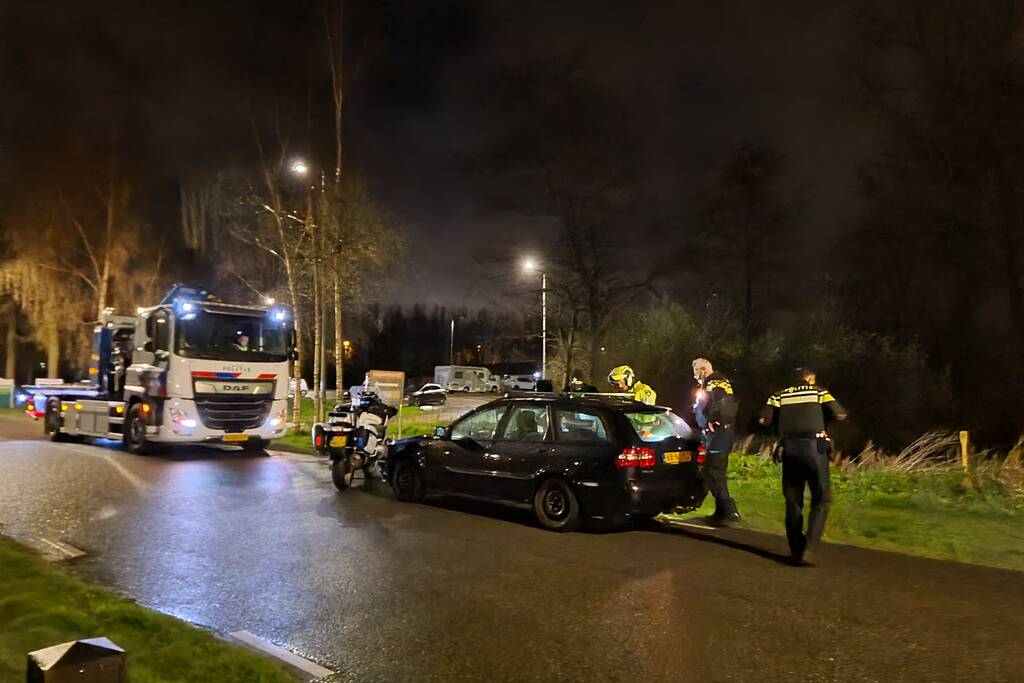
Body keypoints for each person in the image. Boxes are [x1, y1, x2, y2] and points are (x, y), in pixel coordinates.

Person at [759, 367, 848, 566]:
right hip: (814, 449)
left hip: (790, 449)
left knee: (793, 502)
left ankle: (796, 550)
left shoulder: (778, 396)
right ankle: (811, 545)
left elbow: (763, 419)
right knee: (821, 498)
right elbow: (840, 414)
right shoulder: (818, 392)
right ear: (808, 379)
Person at [692, 357, 740, 526]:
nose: (695, 377)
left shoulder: (715, 382)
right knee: (711, 471)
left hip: (719, 433)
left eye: (696, 373)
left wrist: (715, 418)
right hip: (717, 433)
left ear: (703, 370)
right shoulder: (714, 382)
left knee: (715, 471)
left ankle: (729, 510)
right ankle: (720, 513)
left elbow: (722, 402)